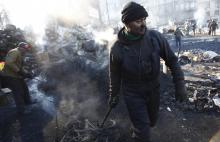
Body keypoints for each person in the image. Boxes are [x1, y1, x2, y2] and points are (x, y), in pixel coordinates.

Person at [108, 2, 187, 142]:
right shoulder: (117, 48)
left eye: (144, 20)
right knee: (143, 132)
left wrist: (180, 84)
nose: (143, 24)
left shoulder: (155, 38)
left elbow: (172, 61)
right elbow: (114, 75)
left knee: (151, 122)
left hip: (153, 89)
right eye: (138, 21)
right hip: (132, 93)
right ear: (126, 23)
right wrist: (113, 95)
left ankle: (138, 129)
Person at [2, 42, 33, 114]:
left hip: (17, 75)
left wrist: (26, 74)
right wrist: (19, 71)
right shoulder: (14, 52)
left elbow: (20, 67)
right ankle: (21, 110)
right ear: (21, 47)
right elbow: (9, 62)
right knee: (18, 92)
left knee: (25, 88)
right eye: (25, 49)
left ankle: (28, 102)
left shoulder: (20, 54)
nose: (26, 50)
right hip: (11, 76)